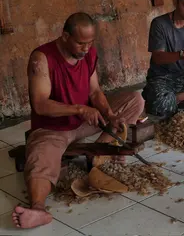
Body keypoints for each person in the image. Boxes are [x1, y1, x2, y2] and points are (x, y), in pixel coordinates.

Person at [12, 12, 145, 229]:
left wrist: (110, 115)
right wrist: (79, 109)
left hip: (84, 122)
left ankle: (102, 152)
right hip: (53, 128)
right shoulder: (42, 58)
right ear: (65, 36)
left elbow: (94, 92)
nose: (86, 48)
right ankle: (38, 209)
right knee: (39, 157)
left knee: (135, 100)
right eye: (80, 43)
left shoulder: (89, 54)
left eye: (90, 42)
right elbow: (40, 104)